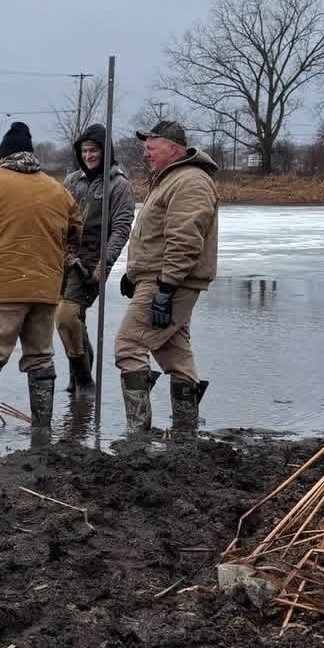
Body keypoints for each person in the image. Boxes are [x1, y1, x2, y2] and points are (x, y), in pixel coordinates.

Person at [0, 121, 82, 445]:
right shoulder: (58, 190)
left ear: (3, 155)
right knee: (40, 356)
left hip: (3, 287)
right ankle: (42, 431)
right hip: (46, 289)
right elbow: (77, 230)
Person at [114, 120, 218, 438]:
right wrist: (136, 274)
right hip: (158, 278)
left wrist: (165, 288)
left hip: (170, 282)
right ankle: (186, 434)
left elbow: (185, 240)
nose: (145, 153)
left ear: (172, 148)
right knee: (174, 352)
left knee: (129, 346)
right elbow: (158, 235)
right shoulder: (172, 180)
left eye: (151, 147)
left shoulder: (190, 182)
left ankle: (138, 434)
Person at [56, 123, 136, 393]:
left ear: (105, 152)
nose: (89, 156)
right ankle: (79, 376)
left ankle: (83, 379)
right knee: (72, 319)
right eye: (85, 151)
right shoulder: (71, 181)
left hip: (92, 262)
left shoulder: (119, 185)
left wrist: (105, 263)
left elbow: (122, 228)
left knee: (66, 317)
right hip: (64, 259)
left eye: (94, 150)